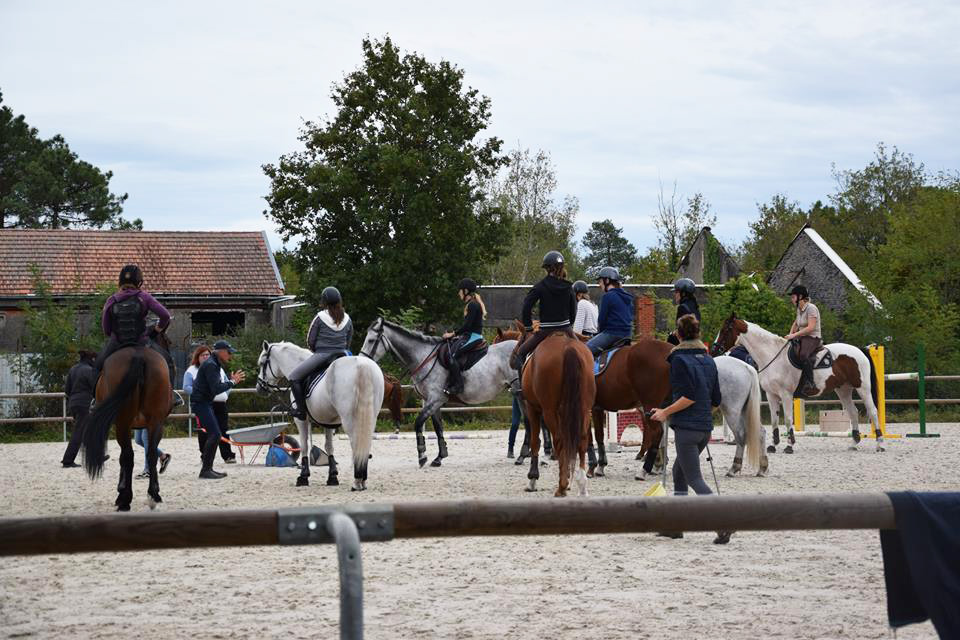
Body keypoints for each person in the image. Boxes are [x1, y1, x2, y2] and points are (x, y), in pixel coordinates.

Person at [650, 314, 731, 544]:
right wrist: (703, 417)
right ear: (698, 333)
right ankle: (676, 526)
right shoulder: (708, 360)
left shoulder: (678, 360)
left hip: (687, 429)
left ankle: (723, 522)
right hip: (704, 428)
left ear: (678, 334)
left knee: (695, 478)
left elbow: (688, 396)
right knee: (679, 473)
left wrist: (665, 412)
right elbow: (715, 399)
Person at [94, 264, 182, 407]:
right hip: (141, 342)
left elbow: (106, 328)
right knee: (168, 362)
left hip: (117, 343)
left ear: (120, 282)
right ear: (139, 282)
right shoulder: (144, 297)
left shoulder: (112, 300)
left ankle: (95, 400)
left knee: (97, 366)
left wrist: (115, 335)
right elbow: (165, 315)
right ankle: (171, 395)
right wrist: (155, 331)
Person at [288, 287, 353, 420]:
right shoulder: (347, 319)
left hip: (322, 355)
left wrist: (316, 351)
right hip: (343, 355)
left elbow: (310, 340)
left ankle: (301, 411)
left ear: (324, 302)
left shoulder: (320, 317)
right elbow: (348, 340)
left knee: (294, 377)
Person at [510, 251, 577, 370]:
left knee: (520, 354)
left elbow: (526, 306)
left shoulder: (540, 286)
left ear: (546, 268)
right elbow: (574, 309)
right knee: (587, 353)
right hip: (566, 329)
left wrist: (529, 328)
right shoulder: (569, 286)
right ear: (562, 267)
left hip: (546, 330)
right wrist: (569, 325)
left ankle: (522, 389)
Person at [191, 340, 245, 479]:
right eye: (228, 352)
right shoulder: (212, 365)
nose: (230, 356)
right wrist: (232, 382)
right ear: (220, 351)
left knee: (215, 434)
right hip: (201, 403)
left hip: (204, 402)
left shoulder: (213, 364)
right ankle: (206, 470)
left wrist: (229, 382)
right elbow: (216, 388)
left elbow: (215, 386)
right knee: (215, 434)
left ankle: (207, 469)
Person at [184, 345, 236, 464]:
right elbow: (215, 388)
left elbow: (223, 384)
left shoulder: (216, 366)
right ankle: (206, 461)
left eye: (207, 354)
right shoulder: (203, 367)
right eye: (203, 355)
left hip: (214, 403)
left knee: (220, 431)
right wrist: (232, 382)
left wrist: (226, 393)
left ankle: (222, 458)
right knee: (210, 433)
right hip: (204, 402)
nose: (206, 357)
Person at [441, 278, 486, 396]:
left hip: (473, 337)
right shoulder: (470, 304)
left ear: (465, 291)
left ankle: (459, 386)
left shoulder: (473, 305)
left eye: (460, 291)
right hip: (467, 335)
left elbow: (467, 326)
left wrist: (452, 334)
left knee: (452, 356)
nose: (458, 293)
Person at [61, 349, 99, 468]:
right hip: (85, 404)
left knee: (88, 430)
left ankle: (95, 457)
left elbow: (67, 390)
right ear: (91, 359)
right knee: (79, 432)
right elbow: (95, 388)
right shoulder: (89, 371)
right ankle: (68, 460)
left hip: (73, 403)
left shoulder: (73, 369)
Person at [586, 267, 634, 356]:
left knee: (584, 351)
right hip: (627, 335)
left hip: (612, 334)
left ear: (607, 280)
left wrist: (599, 334)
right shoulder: (628, 297)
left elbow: (602, 320)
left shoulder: (607, 296)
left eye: (600, 281)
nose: (599, 285)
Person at [784, 284, 821, 397]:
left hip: (812, 337)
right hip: (802, 337)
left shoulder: (811, 308)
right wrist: (790, 335)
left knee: (804, 355)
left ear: (800, 297)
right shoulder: (799, 309)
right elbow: (796, 323)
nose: (791, 299)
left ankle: (811, 383)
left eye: (793, 297)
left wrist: (794, 335)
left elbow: (811, 327)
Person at [667, 278, 699, 346]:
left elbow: (680, 330)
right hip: (696, 341)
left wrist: (673, 334)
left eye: (676, 292)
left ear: (683, 293)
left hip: (684, 342)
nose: (675, 295)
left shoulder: (682, 307)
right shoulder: (695, 307)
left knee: (671, 339)